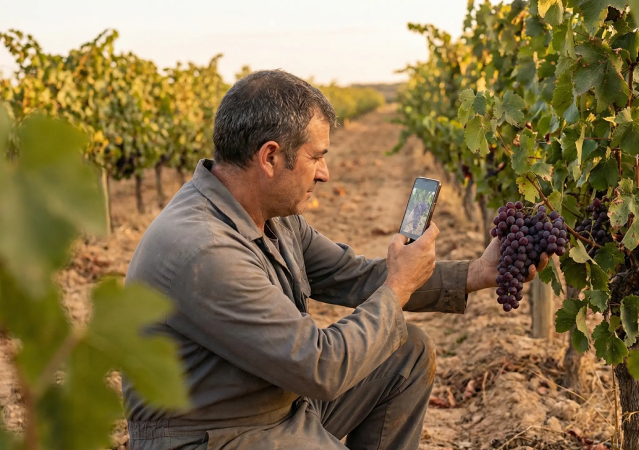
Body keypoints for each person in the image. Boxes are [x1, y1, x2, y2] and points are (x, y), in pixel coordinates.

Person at [123, 70, 546, 450]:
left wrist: (475, 273)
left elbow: (357, 277)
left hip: (279, 407)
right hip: (216, 435)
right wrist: (397, 288)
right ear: (270, 157)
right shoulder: (205, 250)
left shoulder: (272, 217)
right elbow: (320, 367)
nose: (325, 173)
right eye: (316, 156)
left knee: (406, 351)